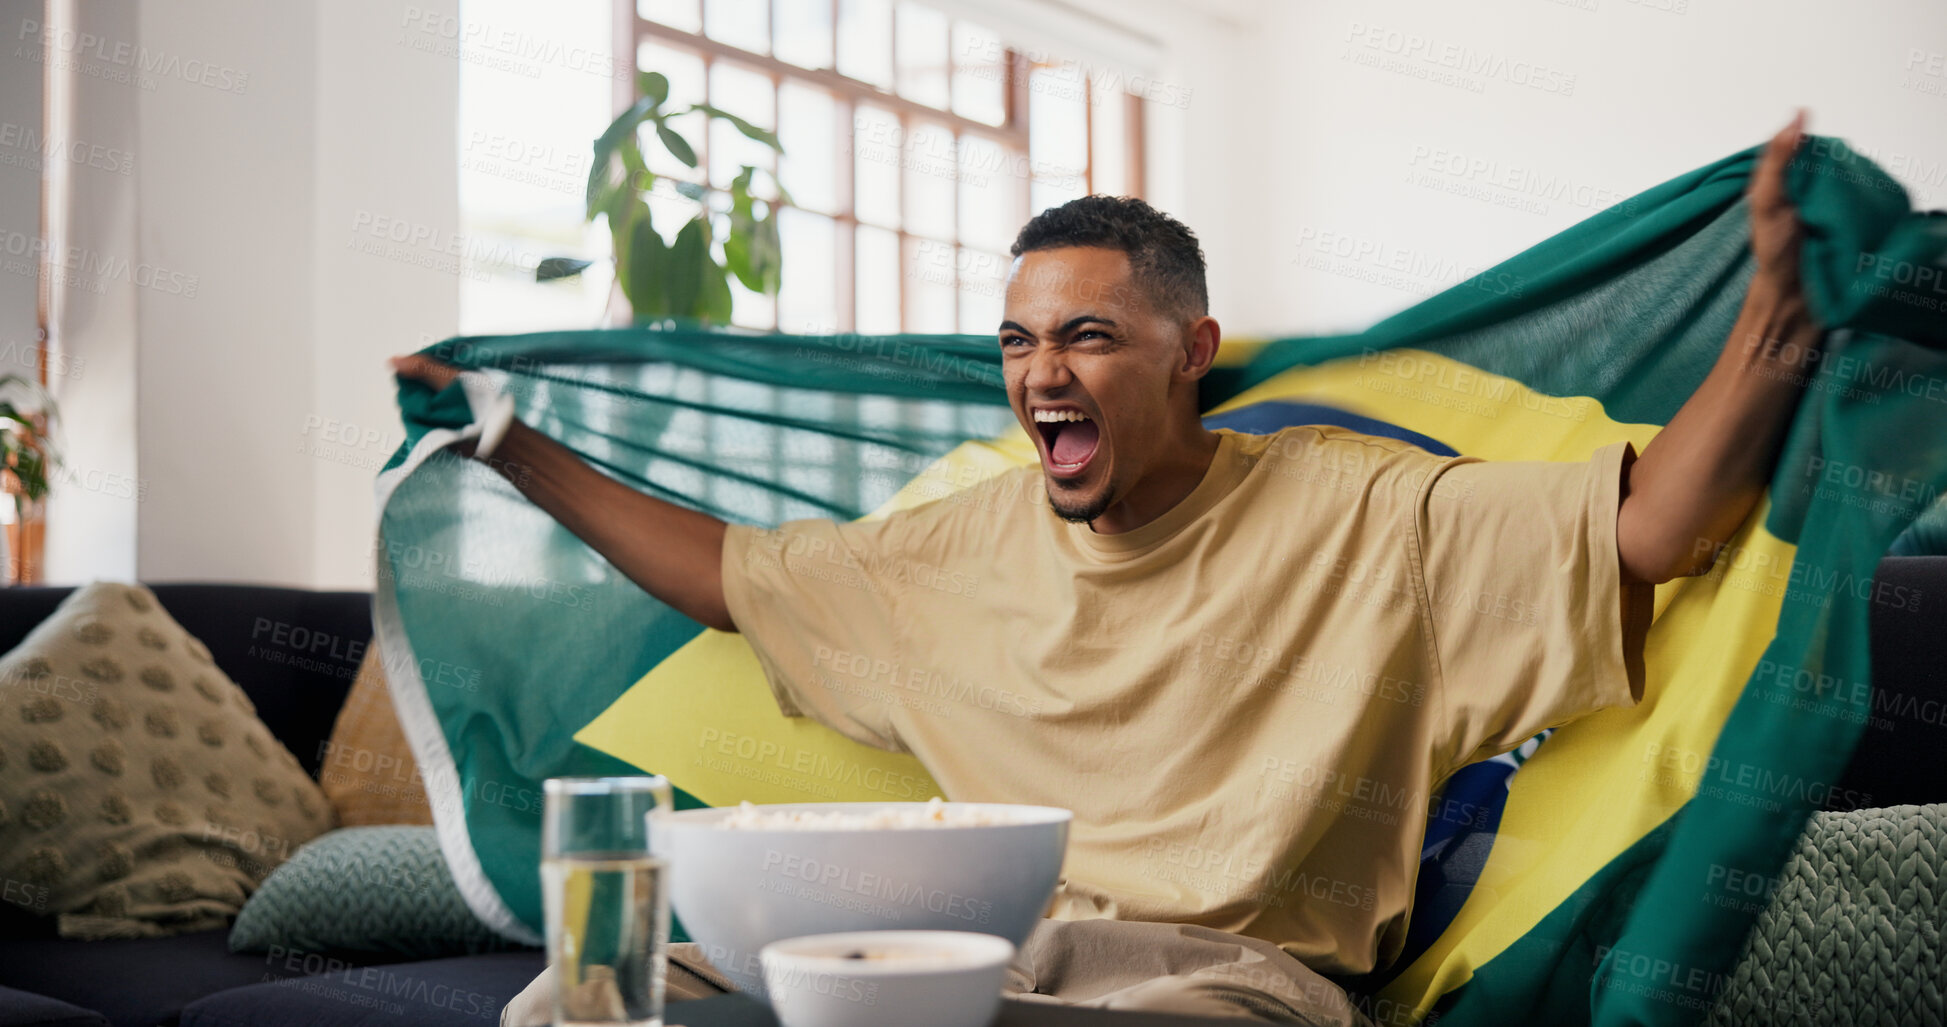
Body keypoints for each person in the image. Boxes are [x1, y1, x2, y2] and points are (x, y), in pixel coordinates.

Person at [395, 114, 1822, 1026]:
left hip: (1225, 987)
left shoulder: (1373, 513)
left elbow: (1647, 533)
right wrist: (510, 444)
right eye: (1018, 343)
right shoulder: (953, 551)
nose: (1041, 374)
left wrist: (1771, 324)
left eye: (1086, 337)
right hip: (958, 958)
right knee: (580, 1004)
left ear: (1191, 354)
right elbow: (728, 576)